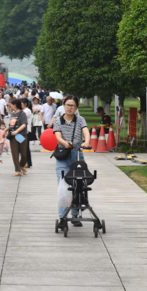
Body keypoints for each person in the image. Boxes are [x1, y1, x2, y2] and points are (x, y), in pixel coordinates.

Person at [53, 96, 91, 227]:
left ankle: (75, 215)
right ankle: (62, 217)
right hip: (63, 156)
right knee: (63, 187)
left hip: (77, 155)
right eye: (67, 105)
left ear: (76, 107)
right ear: (63, 105)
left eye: (72, 105)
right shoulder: (58, 120)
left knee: (78, 185)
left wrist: (87, 142)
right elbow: (58, 136)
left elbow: (86, 131)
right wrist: (65, 143)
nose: (69, 108)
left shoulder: (80, 119)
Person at [6, 99, 28, 176]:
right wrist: (4, 131)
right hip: (13, 136)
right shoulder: (12, 114)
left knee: (24, 154)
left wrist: (17, 131)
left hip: (21, 135)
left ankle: (22, 165)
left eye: (11, 105)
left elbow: (24, 124)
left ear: (15, 105)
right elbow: (11, 125)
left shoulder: (22, 114)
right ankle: (18, 170)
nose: (11, 106)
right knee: (15, 153)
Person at [21, 98, 33, 168]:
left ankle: (27, 162)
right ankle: (25, 161)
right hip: (21, 132)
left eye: (21, 103)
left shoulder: (27, 111)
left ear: (25, 103)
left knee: (26, 148)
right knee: (22, 148)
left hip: (26, 132)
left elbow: (21, 117)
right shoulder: (22, 110)